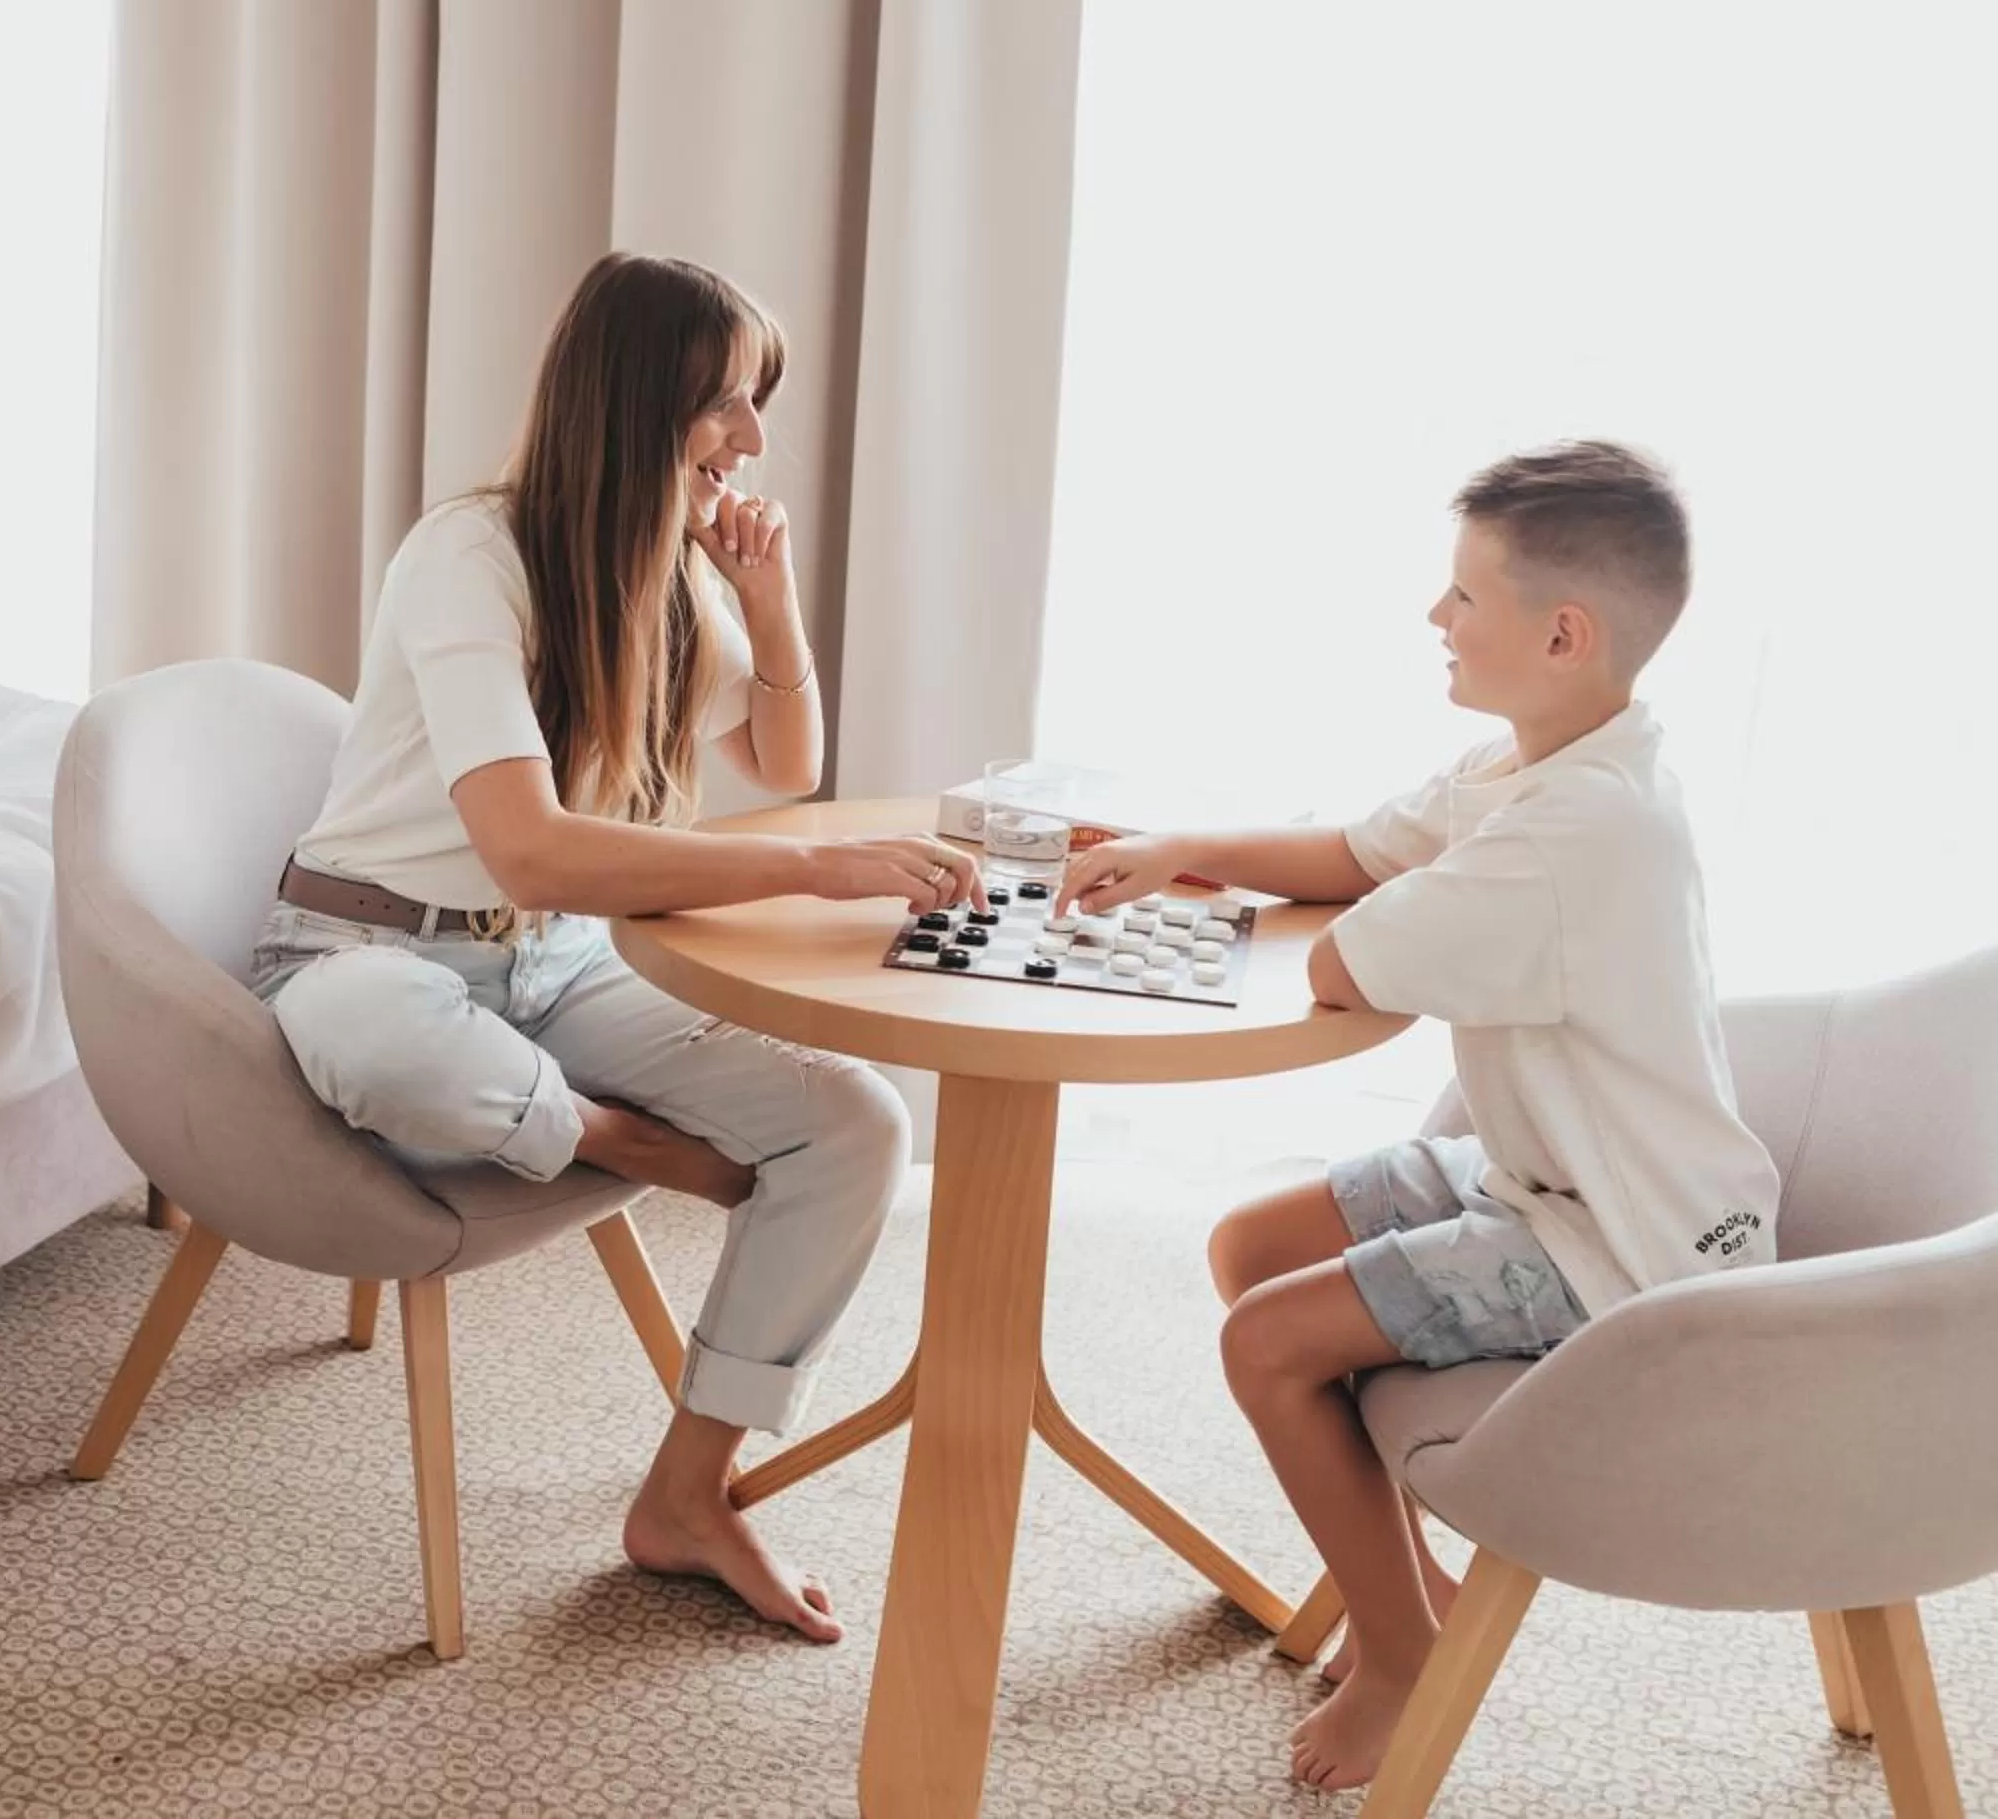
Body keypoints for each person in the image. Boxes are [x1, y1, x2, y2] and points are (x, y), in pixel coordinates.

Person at [256, 251, 987, 1643]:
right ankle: (629, 1143)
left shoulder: (669, 576)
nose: (753, 439)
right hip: (368, 950)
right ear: (634, 398)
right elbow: (529, 844)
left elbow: (783, 754)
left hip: (557, 967)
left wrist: (765, 601)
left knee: (856, 1128)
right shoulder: (466, 554)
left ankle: (690, 1494)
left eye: (757, 404)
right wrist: (821, 869)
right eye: (724, 402)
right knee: (378, 1041)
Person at [1053, 440, 1778, 1788]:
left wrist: (1268, 903)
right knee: (1251, 1249)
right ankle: (1410, 1583)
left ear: (1561, 633)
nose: (1433, 620)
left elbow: (1345, 961)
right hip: (1549, 1169)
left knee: (1269, 1344)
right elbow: (1357, 857)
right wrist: (1179, 851)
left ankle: (1402, 1655)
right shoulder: (1539, 760)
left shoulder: (1575, 833)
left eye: (1460, 597)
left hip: (1615, 1244)